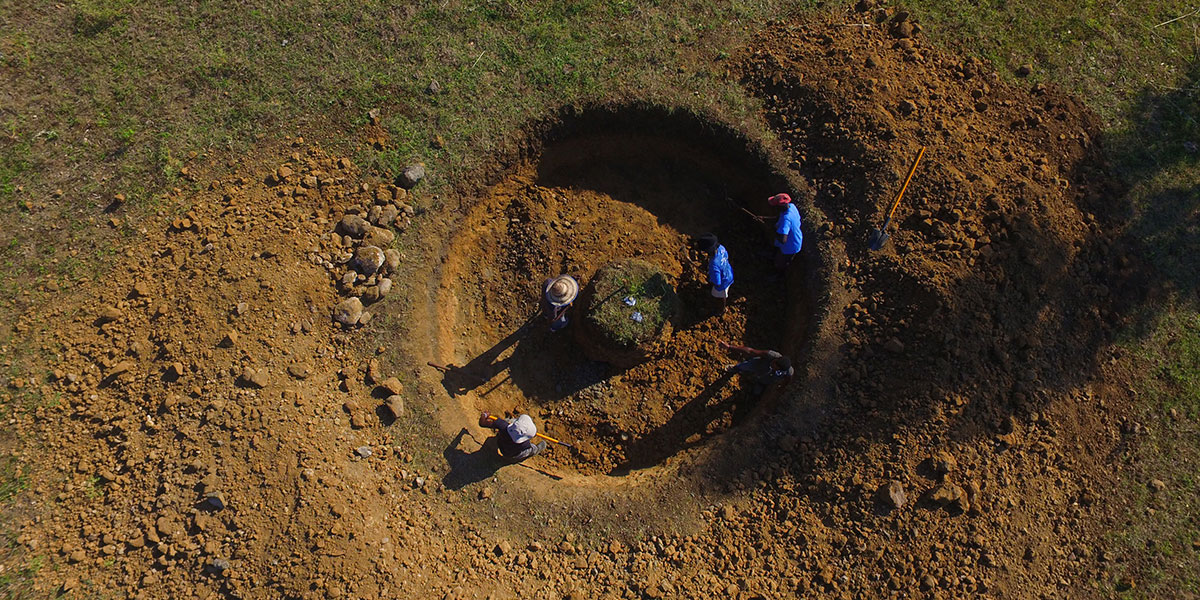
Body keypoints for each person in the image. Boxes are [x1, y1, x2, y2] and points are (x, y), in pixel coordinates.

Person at [717, 341, 794, 396]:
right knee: (745, 366)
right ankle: (736, 368)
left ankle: (756, 387)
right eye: (773, 363)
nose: (773, 365)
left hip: (765, 379)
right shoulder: (771, 355)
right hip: (758, 365)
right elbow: (750, 351)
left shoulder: (788, 371)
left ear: (779, 369)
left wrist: (782, 387)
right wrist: (729, 347)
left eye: (775, 367)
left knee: (756, 392)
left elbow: (788, 380)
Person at [478, 412, 546, 461]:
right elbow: (526, 445)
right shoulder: (525, 444)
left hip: (500, 443)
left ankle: (510, 422)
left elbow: (482, 423)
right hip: (509, 454)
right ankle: (536, 450)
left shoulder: (502, 425)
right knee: (531, 449)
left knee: (508, 422)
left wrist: (485, 415)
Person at [697, 233, 733, 313]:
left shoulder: (713, 264)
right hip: (729, 273)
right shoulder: (721, 248)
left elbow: (717, 282)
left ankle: (721, 309)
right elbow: (726, 256)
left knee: (719, 296)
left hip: (723, 283)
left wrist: (710, 276)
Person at [768, 193, 803, 269]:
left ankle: (778, 275)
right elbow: (779, 217)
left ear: (780, 207)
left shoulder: (786, 220)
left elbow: (783, 240)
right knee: (777, 251)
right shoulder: (792, 207)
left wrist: (773, 230)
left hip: (790, 246)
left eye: (775, 206)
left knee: (780, 262)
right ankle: (772, 256)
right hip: (794, 238)